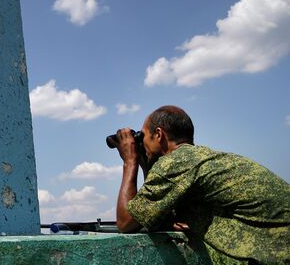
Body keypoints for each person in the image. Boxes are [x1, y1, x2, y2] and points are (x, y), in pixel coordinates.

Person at [114, 105, 290, 264]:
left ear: (159, 135)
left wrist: (130, 162)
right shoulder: (199, 157)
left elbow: (126, 222)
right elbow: (152, 211)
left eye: (143, 136)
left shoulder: (176, 162)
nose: (141, 143)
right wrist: (147, 165)